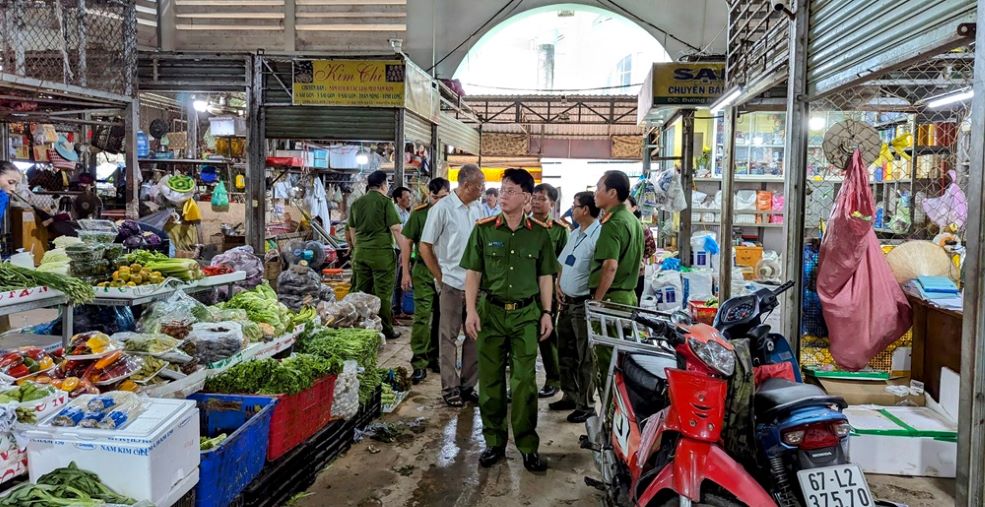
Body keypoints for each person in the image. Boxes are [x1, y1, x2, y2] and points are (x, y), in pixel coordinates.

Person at [461, 168, 558, 473]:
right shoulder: (484, 229)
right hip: (491, 313)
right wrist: (471, 311)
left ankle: (528, 446)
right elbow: (473, 274)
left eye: (511, 191)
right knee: (490, 382)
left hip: (526, 315)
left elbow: (545, 277)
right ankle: (494, 443)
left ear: (527, 197)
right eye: (502, 190)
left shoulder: (540, 234)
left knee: (524, 383)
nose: (503, 195)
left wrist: (547, 312)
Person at [420, 164, 485, 407]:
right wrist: (440, 276)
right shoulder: (442, 209)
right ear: (466, 185)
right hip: (451, 283)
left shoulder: (477, 209)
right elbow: (425, 245)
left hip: (475, 285)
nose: (483, 190)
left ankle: (468, 385)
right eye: (480, 186)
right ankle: (450, 387)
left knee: (474, 335)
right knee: (447, 337)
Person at [590, 171, 644, 391]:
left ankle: (610, 414)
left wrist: (597, 300)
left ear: (612, 192)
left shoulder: (613, 223)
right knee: (621, 359)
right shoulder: (632, 219)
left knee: (607, 362)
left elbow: (610, 266)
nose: (595, 193)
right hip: (628, 297)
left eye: (598, 187)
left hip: (611, 300)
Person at [552, 191, 601, 423]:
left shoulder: (598, 235)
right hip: (566, 302)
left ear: (586, 210)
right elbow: (563, 263)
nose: (572, 209)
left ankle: (586, 404)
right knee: (565, 351)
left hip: (583, 304)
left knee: (585, 357)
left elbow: (603, 271)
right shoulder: (574, 233)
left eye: (575, 205)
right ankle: (569, 395)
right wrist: (558, 284)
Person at [400, 178, 450, 384]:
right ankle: (418, 362)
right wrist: (405, 271)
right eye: (435, 197)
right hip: (423, 271)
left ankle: (434, 357)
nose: (439, 201)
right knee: (422, 317)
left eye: (443, 197)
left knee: (442, 318)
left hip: (448, 272)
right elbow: (407, 242)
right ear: (429, 195)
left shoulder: (455, 214)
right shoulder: (420, 214)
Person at [348, 170, 402, 341]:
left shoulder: (357, 203)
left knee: (361, 292)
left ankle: (360, 327)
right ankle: (386, 329)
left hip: (361, 254)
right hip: (382, 255)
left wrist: (358, 249)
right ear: (383, 184)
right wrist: (406, 253)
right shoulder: (385, 202)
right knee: (383, 294)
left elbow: (351, 231)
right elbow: (396, 229)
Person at [530, 183, 568, 399]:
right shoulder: (520, 225)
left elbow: (564, 263)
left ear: (552, 204)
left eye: (541, 198)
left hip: (547, 291)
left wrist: (559, 286)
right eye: (534, 197)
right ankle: (521, 382)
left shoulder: (560, 231)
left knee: (546, 336)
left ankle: (553, 379)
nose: (536, 201)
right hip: (522, 288)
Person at [627, 196, 657, 301]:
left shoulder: (642, 227)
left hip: (636, 273)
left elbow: (651, 249)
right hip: (635, 272)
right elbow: (651, 250)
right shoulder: (642, 226)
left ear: (634, 208)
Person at [391, 186, 413, 319]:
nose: (409, 200)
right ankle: (393, 311)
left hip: (404, 248)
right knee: (394, 281)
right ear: (398, 198)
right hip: (395, 248)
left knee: (401, 281)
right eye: (407, 197)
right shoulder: (393, 211)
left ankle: (399, 310)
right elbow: (396, 232)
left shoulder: (406, 213)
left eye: (410, 198)